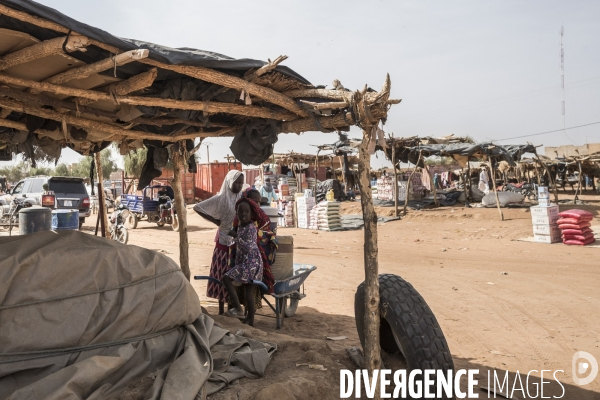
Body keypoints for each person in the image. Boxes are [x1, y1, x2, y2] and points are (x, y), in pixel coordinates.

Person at [193, 170, 245, 314]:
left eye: (241, 183)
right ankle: (221, 309)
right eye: (237, 183)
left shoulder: (241, 197)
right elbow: (197, 207)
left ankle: (231, 307)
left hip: (236, 242)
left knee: (232, 275)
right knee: (221, 274)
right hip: (223, 242)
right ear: (229, 182)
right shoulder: (221, 198)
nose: (240, 185)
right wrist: (216, 221)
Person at [227, 188, 276, 316]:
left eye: (258, 202)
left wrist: (237, 238)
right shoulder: (239, 221)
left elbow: (260, 239)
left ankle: (246, 315)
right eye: (254, 201)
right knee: (241, 288)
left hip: (253, 262)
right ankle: (244, 316)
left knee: (249, 292)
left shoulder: (258, 221)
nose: (257, 205)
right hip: (242, 260)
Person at [222, 198, 264, 325]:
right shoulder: (240, 226)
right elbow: (236, 245)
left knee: (226, 278)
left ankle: (239, 309)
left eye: (246, 212)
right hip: (245, 263)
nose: (243, 214)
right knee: (247, 293)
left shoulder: (251, 228)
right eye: (241, 212)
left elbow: (249, 247)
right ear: (237, 213)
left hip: (252, 263)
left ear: (251, 214)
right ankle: (249, 321)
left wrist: (236, 236)